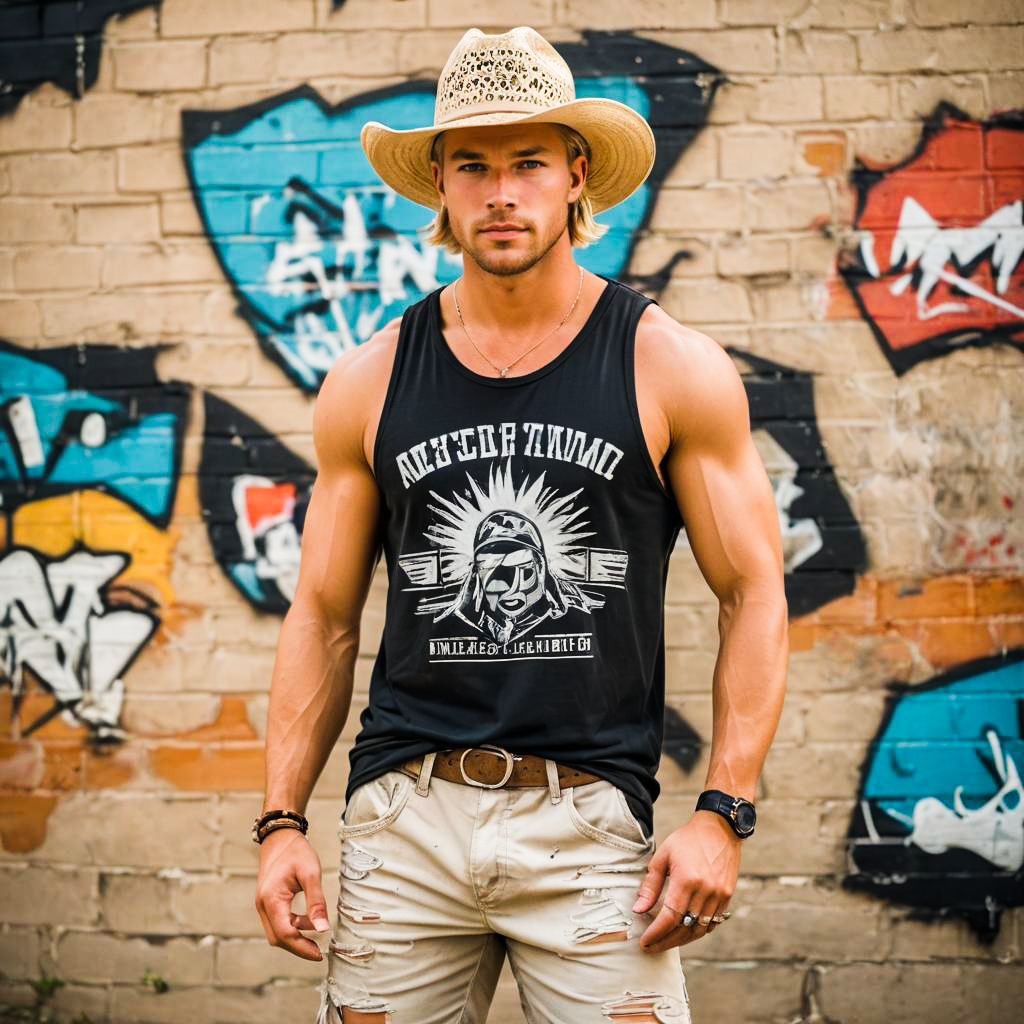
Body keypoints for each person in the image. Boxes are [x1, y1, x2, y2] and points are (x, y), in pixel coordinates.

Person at [253, 25, 788, 1024]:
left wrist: (724, 810)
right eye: (472, 165)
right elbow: (322, 615)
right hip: (404, 820)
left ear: (575, 176)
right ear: (441, 187)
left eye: (528, 163)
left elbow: (752, 590)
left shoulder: (666, 365)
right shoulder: (369, 380)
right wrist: (281, 821)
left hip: (586, 827)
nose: (500, 191)